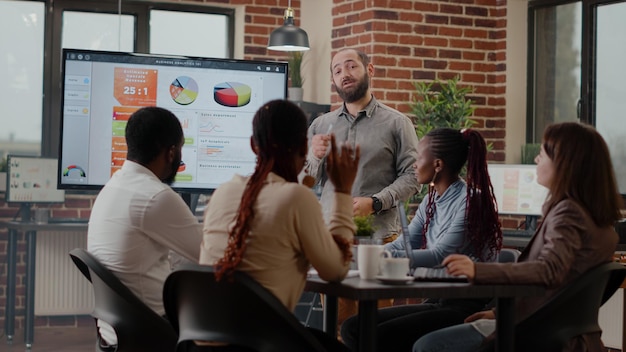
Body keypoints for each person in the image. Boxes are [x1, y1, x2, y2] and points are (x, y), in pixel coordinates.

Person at [413, 122, 622, 352]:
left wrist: (476, 270)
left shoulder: (568, 213)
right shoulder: (598, 221)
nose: (536, 160)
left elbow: (548, 271)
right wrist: (496, 312)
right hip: (558, 329)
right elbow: (562, 290)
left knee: (427, 345)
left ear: (564, 163)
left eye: (542, 154)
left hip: (537, 331)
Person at [200, 99, 360, 351]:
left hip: (205, 342)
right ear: (304, 146)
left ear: (253, 145)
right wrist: (342, 190)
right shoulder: (296, 199)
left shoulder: (223, 191)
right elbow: (336, 270)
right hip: (262, 343)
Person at [340, 127, 503, 351]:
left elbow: (440, 255)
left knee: (377, 334)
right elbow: (404, 245)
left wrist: (380, 256)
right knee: (353, 327)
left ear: (437, 165)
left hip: (464, 304)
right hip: (437, 300)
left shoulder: (470, 201)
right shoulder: (431, 201)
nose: (414, 164)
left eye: (418, 157)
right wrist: (373, 252)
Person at [87, 106, 203, 349]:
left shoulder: (113, 186)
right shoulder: (156, 196)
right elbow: (209, 255)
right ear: (171, 152)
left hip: (114, 333)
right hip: (153, 333)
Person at [304, 48, 419, 239]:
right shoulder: (320, 125)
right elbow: (305, 182)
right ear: (333, 80)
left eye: (351, 66)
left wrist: (375, 203)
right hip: (328, 237)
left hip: (379, 238)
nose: (345, 75)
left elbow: (413, 177)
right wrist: (314, 157)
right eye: (338, 71)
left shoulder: (398, 123)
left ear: (370, 70)